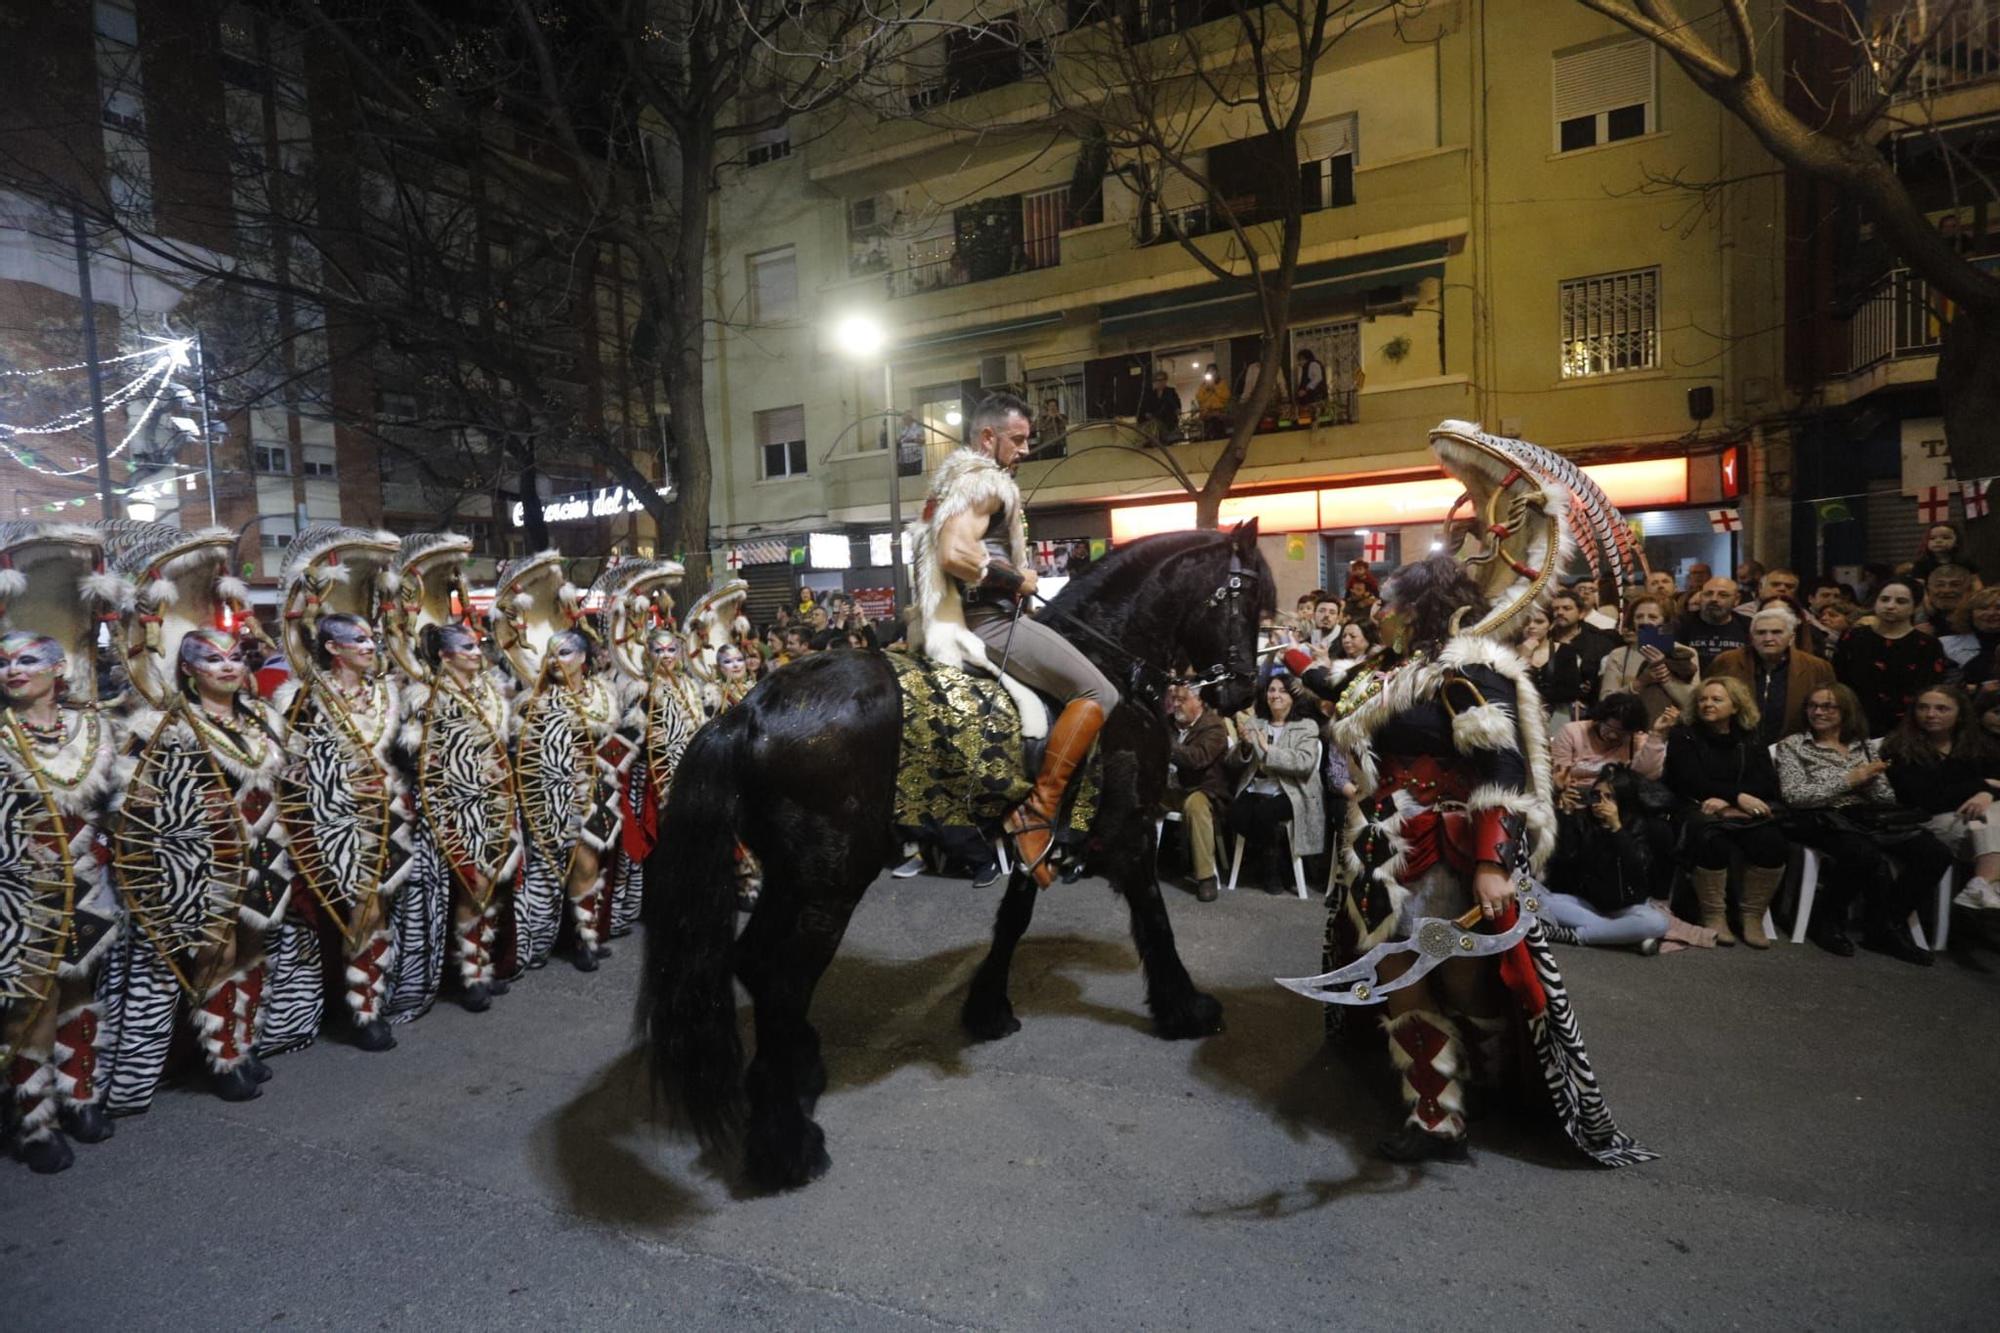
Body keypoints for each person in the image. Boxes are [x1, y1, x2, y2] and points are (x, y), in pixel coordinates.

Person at [1305, 551, 1647, 1167]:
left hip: (1445, 847)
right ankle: (1435, 1116)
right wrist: (1302, 666)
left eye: (1390, 602)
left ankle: (1495, 1076)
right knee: (1394, 974)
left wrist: (1492, 861)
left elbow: (1504, 769)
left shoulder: (1469, 668)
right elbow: (1339, 688)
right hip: (1380, 846)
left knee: (1459, 978)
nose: (1378, 611)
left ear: (1417, 609)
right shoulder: (1391, 669)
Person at [912, 391, 1119, 888]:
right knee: (1101, 693)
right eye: (1018, 439)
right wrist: (1017, 581)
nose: (1026, 449)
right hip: (991, 621)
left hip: (975, 615)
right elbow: (955, 552)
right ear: (988, 437)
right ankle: (1037, 808)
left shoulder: (951, 485)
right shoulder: (985, 483)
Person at [103, 627, 290, 1113]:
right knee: (215, 953)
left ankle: (243, 1042)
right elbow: (135, 800)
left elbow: (288, 775)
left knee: (253, 942)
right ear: (187, 669)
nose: (227, 666)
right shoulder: (165, 726)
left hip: (265, 850)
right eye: (211, 658)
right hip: (204, 860)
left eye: (233, 657)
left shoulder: (260, 718)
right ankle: (221, 1056)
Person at [0, 629, 118, 1173]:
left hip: (88, 883)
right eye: (2, 663)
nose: (12, 670)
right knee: (33, 1001)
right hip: (23, 893)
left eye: (27, 660)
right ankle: (34, 1120)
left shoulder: (90, 728)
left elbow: (113, 800)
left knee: (78, 982)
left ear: (58, 669)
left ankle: (81, 1094)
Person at [273, 611, 415, 1050]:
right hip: (334, 822)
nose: (370, 647)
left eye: (371, 639)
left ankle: (370, 997)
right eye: (359, 640)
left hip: (385, 817)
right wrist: (338, 780)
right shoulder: (303, 699)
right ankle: (361, 1009)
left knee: (378, 909)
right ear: (333, 649)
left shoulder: (386, 696)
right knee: (359, 911)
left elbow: (398, 756)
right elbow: (291, 769)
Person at [1776, 684, 1954, 961]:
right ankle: (1826, 920)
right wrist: (1851, 779)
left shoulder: (1863, 746)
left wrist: (1871, 779)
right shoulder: (1794, 745)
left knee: (1935, 853)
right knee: (1862, 854)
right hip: (1820, 816)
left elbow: (1885, 796)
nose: (1818, 712)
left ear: (1846, 711)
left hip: (1868, 816)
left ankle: (1886, 922)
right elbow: (1795, 795)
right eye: (1813, 705)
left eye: (1828, 706)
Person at [404, 623, 523, 1010]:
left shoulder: (491, 690)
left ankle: (481, 966)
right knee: (471, 887)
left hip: (496, 802)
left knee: (491, 886)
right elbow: (417, 758)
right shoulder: (426, 697)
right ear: (444, 655)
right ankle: (466, 975)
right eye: (466, 647)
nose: (476, 652)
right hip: (452, 806)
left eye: (477, 646)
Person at [511, 628, 625, 974]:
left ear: (583, 659)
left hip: (595, 793)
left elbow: (615, 740)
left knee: (588, 862)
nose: (555, 661)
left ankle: (585, 937)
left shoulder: (603, 695)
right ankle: (545, 938)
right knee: (549, 868)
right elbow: (524, 750)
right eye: (550, 654)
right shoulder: (535, 700)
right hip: (551, 797)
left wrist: (599, 761)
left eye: (563, 653)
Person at [1663, 677, 1787, 948]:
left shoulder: (1751, 736)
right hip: (1694, 805)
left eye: (1716, 699)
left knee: (1772, 841)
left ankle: (1751, 915)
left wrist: (1732, 801)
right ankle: (1714, 914)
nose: (1708, 704)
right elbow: (1687, 779)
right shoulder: (1684, 734)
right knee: (1711, 838)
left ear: (1735, 706)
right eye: (1703, 699)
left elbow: (1766, 782)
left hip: (1736, 810)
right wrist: (1735, 796)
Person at [1885, 686, 2000, 928]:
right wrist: (1982, 786)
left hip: (1971, 823)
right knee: (1987, 819)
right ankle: (1985, 885)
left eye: (1941, 708)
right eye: (1923, 707)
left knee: (1987, 816)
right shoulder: (1899, 746)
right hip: (1924, 820)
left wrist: (1986, 793)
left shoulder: (1976, 745)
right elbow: (1925, 798)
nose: (1931, 714)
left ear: (1959, 713)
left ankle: (1982, 884)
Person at [1540, 763, 1673, 951]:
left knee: (1658, 923)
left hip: (1626, 906)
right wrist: (1565, 815)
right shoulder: (1582, 819)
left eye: (1609, 797)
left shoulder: (1638, 825)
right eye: (1596, 796)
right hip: (1587, 904)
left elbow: (1637, 868)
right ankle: (1623, 936)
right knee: (1536, 900)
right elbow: (1564, 860)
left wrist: (1617, 829)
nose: (1600, 803)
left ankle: (1578, 935)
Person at [1225, 673, 1325, 890]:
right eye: (1272, 690)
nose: (1275, 695)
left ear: (1292, 697)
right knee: (1233, 813)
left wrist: (1270, 750)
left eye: (1282, 691)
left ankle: (1270, 869)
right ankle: (1276, 859)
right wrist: (1244, 747)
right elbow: (1233, 763)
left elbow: (1305, 763)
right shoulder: (1255, 722)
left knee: (1265, 813)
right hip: (1257, 787)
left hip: (1292, 790)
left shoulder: (1307, 726)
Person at [1707, 606, 1837, 746]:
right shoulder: (1727, 662)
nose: (1768, 638)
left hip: (1794, 748)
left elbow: (1831, 711)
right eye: (1761, 633)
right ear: (1751, 637)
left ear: (1791, 637)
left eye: (1777, 632)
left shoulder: (1817, 667)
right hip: (1735, 746)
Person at [1834, 579, 1949, 736]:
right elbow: (1838, 680)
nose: (1890, 606)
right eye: (1884, 599)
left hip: (1908, 728)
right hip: (1855, 723)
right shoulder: (1853, 637)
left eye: (1901, 601)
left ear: (1915, 606)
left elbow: (1930, 688)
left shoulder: (1927, 644)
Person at [1162, 682, 1232, 901]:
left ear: (1199, 700)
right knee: (1137, 796)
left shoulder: (1215, 726)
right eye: (1174, 699)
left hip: (1203, 789)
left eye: (1182, 700)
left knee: (1195, 806)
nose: (1175, 705)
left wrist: (1164, 744)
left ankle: (1205, 877)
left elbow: (1197, 758)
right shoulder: (1168, 723)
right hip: (1169, 788)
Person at [1597, 594, 1698, 726]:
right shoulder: (1619, 655)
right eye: (1639, 617)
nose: (1644, 621)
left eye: (1653, 617)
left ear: (1665, 621)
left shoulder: (1685, 653)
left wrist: (1664, 675)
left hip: (1674, 728)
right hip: (1630, 728)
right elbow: (1606, 701)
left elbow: (1694, 702)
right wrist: (1640, 682)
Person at [1551, 692, 1670, 795]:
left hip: (1615, 800)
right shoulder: (1572, 732)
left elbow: (1648, 775)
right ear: (1599, 720)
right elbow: (1559, 776)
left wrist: (1656, 735)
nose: (1613, 736)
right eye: (1609, 728)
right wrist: (1559, 787)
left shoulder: (1635, 740)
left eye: (1621, 732)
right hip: (1575, 794)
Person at [1548, 588, 1620, 703]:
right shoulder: (1545, 640)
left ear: (1581, 613)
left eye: (1567, 608)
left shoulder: (1600, 641)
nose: (1560, 612)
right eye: (1556, 609)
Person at [1520, 603, 1584, 728]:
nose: (1531, 626)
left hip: (1557, 716)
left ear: (1551, 625)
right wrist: (1523, 657)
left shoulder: (1565, 651)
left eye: (1539, 622)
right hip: (1523, 717)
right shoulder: (1509, 653)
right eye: (1526, 622)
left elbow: (1572, 691)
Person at [1677, 577, 1751, 668]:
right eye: (1708, 594)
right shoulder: (1680, 624)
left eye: (1723, 595)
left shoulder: (1748, 625)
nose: (1714, 599)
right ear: (1700, 597)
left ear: (1736, 600)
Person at [1911, 522, 1976, 582]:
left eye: (1945, 537)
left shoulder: (1965, 562)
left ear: (1957, 542)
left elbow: (1975, 582)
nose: (1938, 541)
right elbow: (1919, 587)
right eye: (1932, 538)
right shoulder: (1921, 564)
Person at [1138, 369, 1181, 443]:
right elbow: (1146, 408)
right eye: (1157, 380)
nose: (1160, 382)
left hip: (1169, 421)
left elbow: (1177, 405)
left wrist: (1177, 410)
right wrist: (1148, 414)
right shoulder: (1151, 394)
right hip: (1155, 423)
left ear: (1165, 381)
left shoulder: (1171, 391)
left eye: (1162, 380)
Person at [1194, 363, 1230, 439]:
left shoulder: (1222, 383)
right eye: (1209, 371)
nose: (1211, 373)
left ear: (1217, 372)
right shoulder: (1203, 386)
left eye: (1213, 371)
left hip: (1219, 412)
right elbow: (1199, 398)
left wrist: (1214, 389)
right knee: (1208, 433)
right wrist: (1206, 388)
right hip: (1207, 414)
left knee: (1219, 432)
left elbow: (1226, 397)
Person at [1293, 347, 1327, 414]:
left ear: (1304, 359)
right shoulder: (1307, 366)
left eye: (1300, 360)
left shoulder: (1313, 364)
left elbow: (1317, 378)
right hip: (1312, 397)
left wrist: (1306, 390)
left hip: (1315, 397)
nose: (1299, 363)